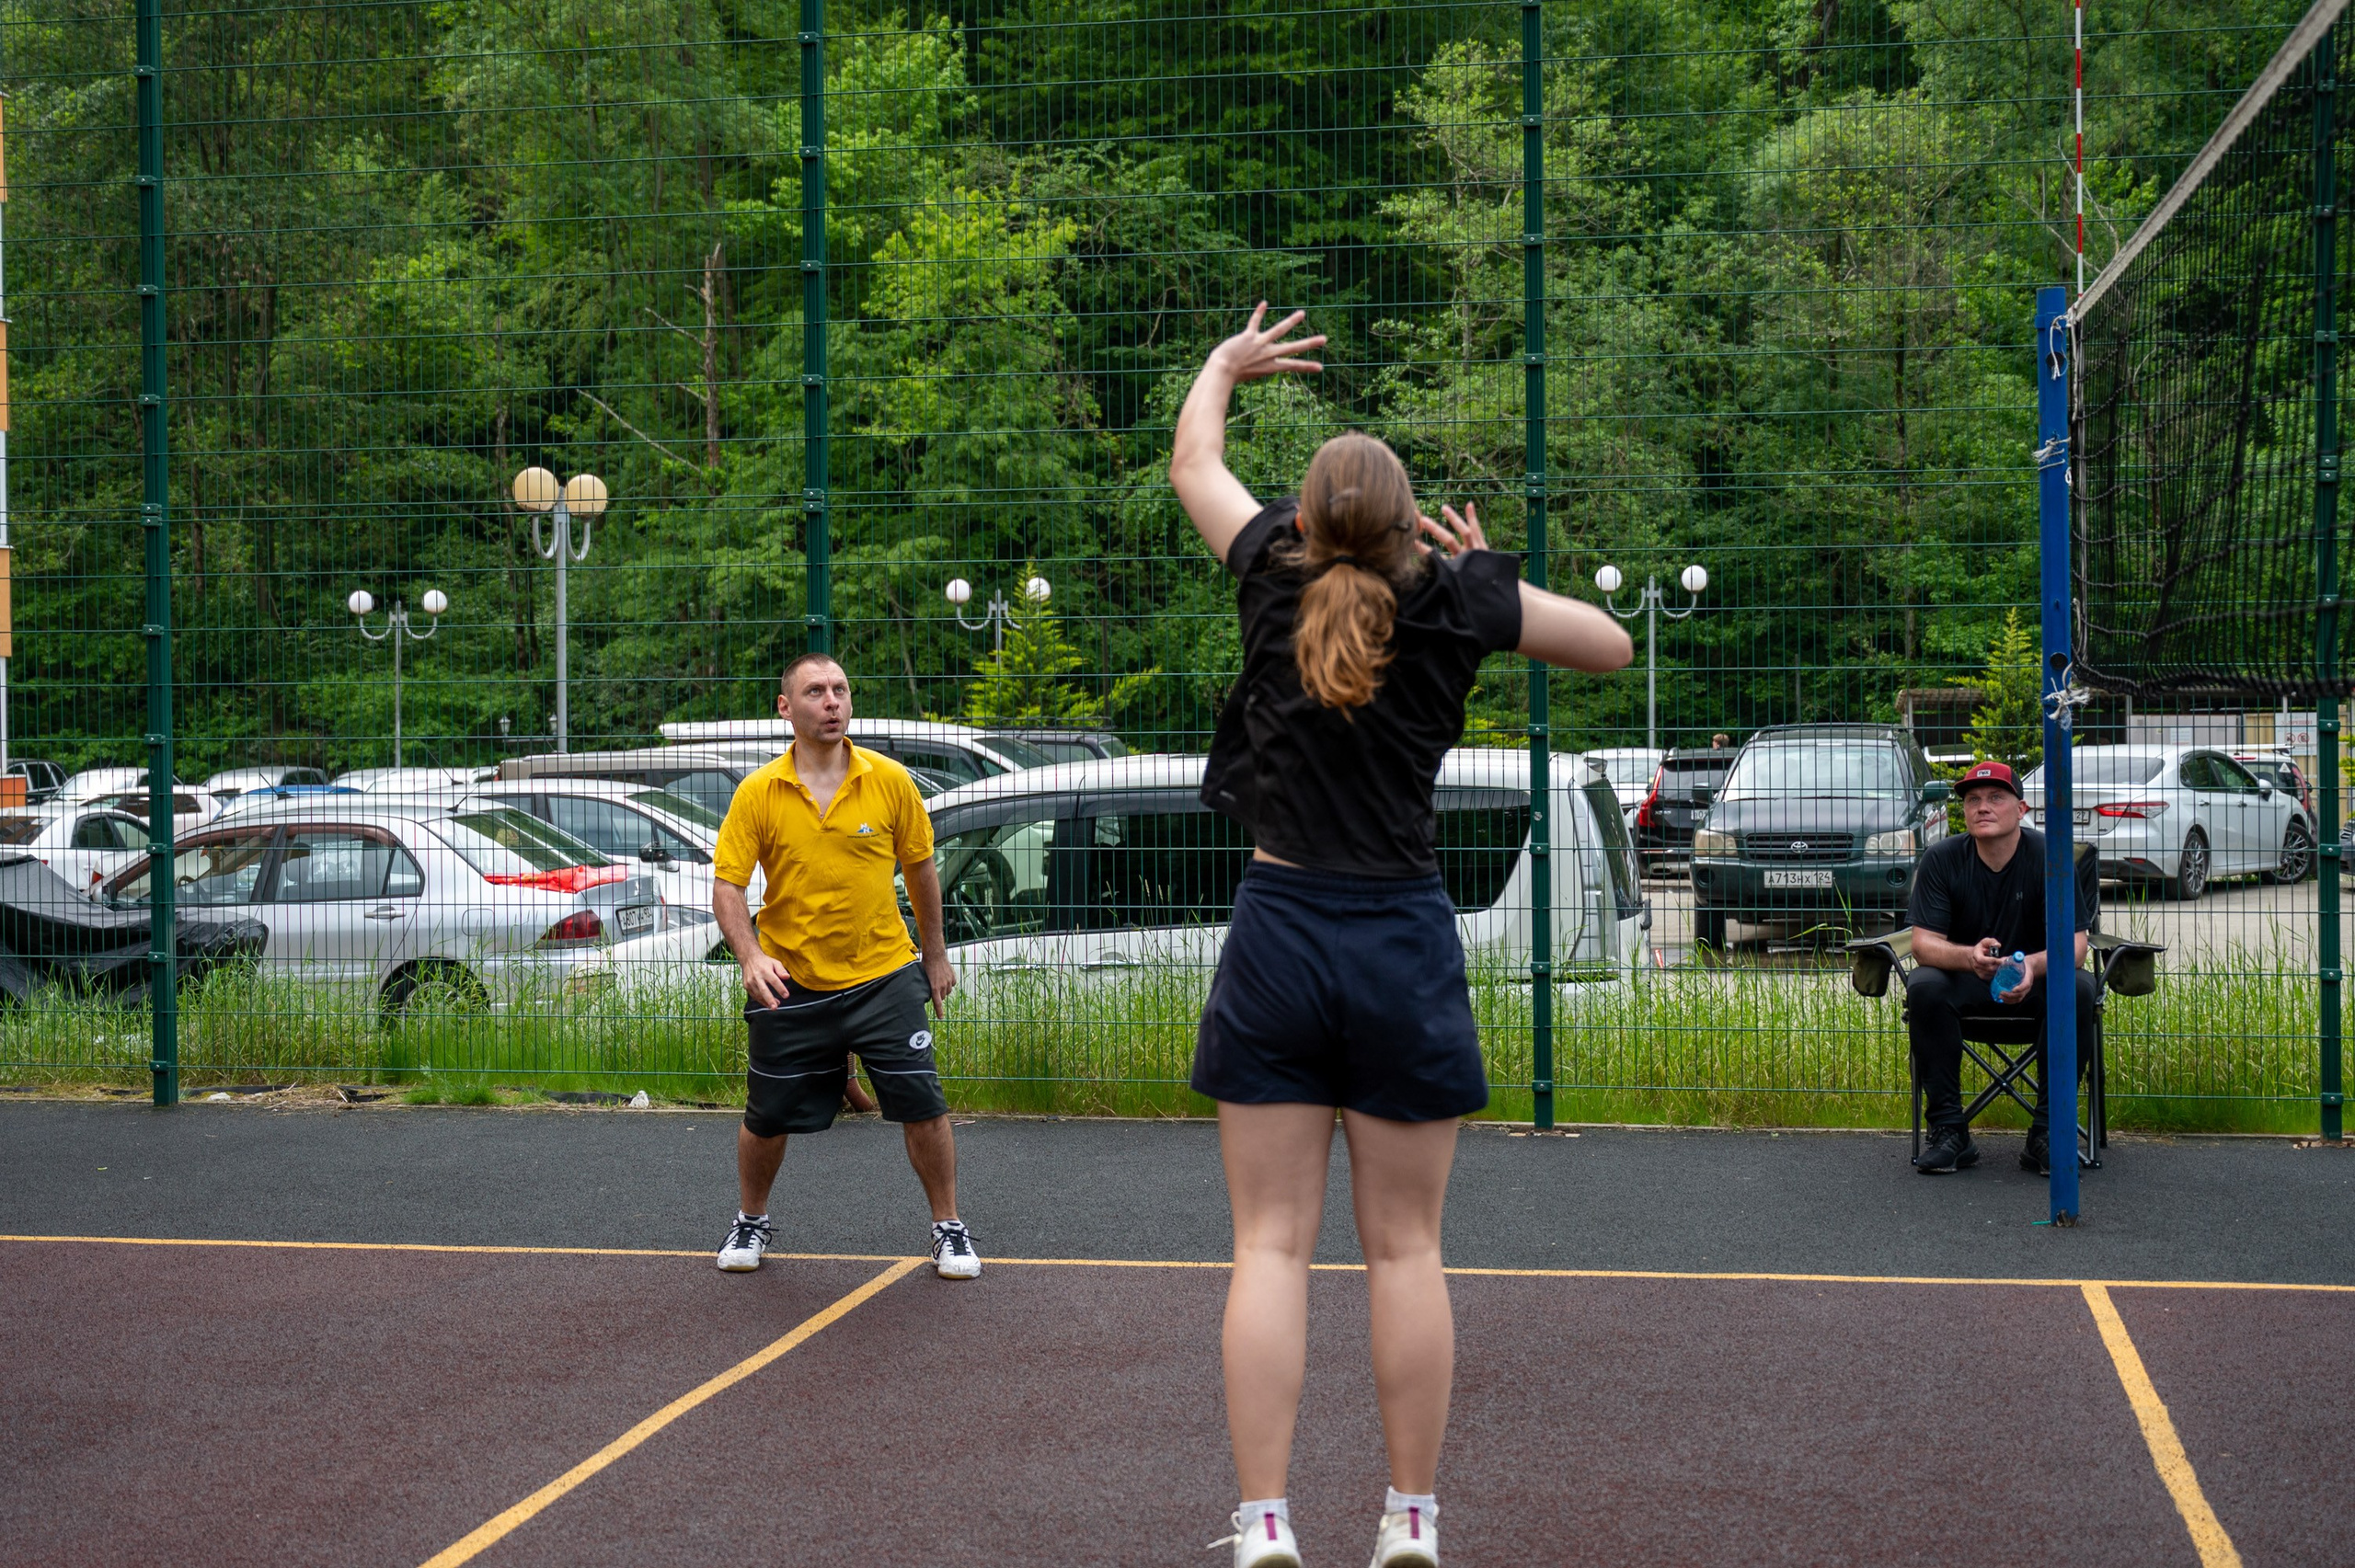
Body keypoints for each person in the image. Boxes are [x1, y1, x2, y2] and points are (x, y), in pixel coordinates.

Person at [1171, 303, 1633, 1568]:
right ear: (1409, 520)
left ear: (1307, 520)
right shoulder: (1459, 604)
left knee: (1269, 1246)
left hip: (1280, 932)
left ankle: (1265, 1519)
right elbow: (1610, 645)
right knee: (1408, 1249)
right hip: (1400, 939)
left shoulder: (1267, 571)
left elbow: (1194, 461)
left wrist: (1224, 364)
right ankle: (1409, 1516)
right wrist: (1490, 574)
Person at [708, 651, 978, 1279]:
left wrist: (935, 954)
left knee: (924, 1103)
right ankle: (751, 1219)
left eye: (840, 689)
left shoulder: (889, 780)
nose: (832, 701)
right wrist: (750, 956)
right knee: (765, 1117)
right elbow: (727, 885)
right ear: (785, 708)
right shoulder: (759, 791)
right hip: (791, 982)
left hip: (884, 975)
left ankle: (948, 1227)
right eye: (815, 691)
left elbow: (921, 869)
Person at [1904, 760, 2100, 1176]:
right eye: (1973, 800)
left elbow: (2076, 946)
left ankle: (2048, 1132)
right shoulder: (1941, 859)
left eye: (1996, 797)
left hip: (2036, 984)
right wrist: (1969, 958)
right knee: (1924, 985)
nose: (1982, 807)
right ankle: (1950, 1131)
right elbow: (1923, 944)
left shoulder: (2051, 857)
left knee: (2078, 988)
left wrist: (2031, 967)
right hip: (1968, 983)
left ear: (2021, 809)